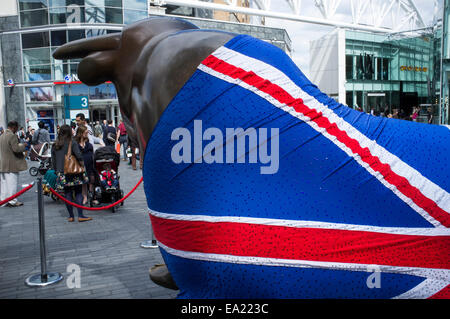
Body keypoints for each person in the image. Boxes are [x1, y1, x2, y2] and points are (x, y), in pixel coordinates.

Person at [51, 124, 92, 222]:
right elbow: (78, 155)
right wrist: (82, 166)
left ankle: (71, 216)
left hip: (62, 172)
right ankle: (81, 215)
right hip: (74, 173)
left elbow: (53, 160)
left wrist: (57, 171)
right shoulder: (72, 142)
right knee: (78, 192)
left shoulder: (55, 144)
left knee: (67, 194)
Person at [0, 121, 27, 207]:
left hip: (2, 163)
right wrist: (23, 145)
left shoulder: (2, 136)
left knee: (4, 184)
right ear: (14, 127)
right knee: (12, 183)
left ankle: (3, 200)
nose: (16, 130)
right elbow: (16, 149)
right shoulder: (12, 136)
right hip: (11, 164)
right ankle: (12, 201)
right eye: (16, 128)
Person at [75, 125, 95, 205]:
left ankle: (91, 196)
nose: (87, 134)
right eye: (85, 133)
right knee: (83, 181)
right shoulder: (76, 144)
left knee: (91, 180)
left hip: (90, 164)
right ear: (81, 133)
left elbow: (92, 153)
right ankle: (85, 196)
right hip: (80, 165)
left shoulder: (88, 143)